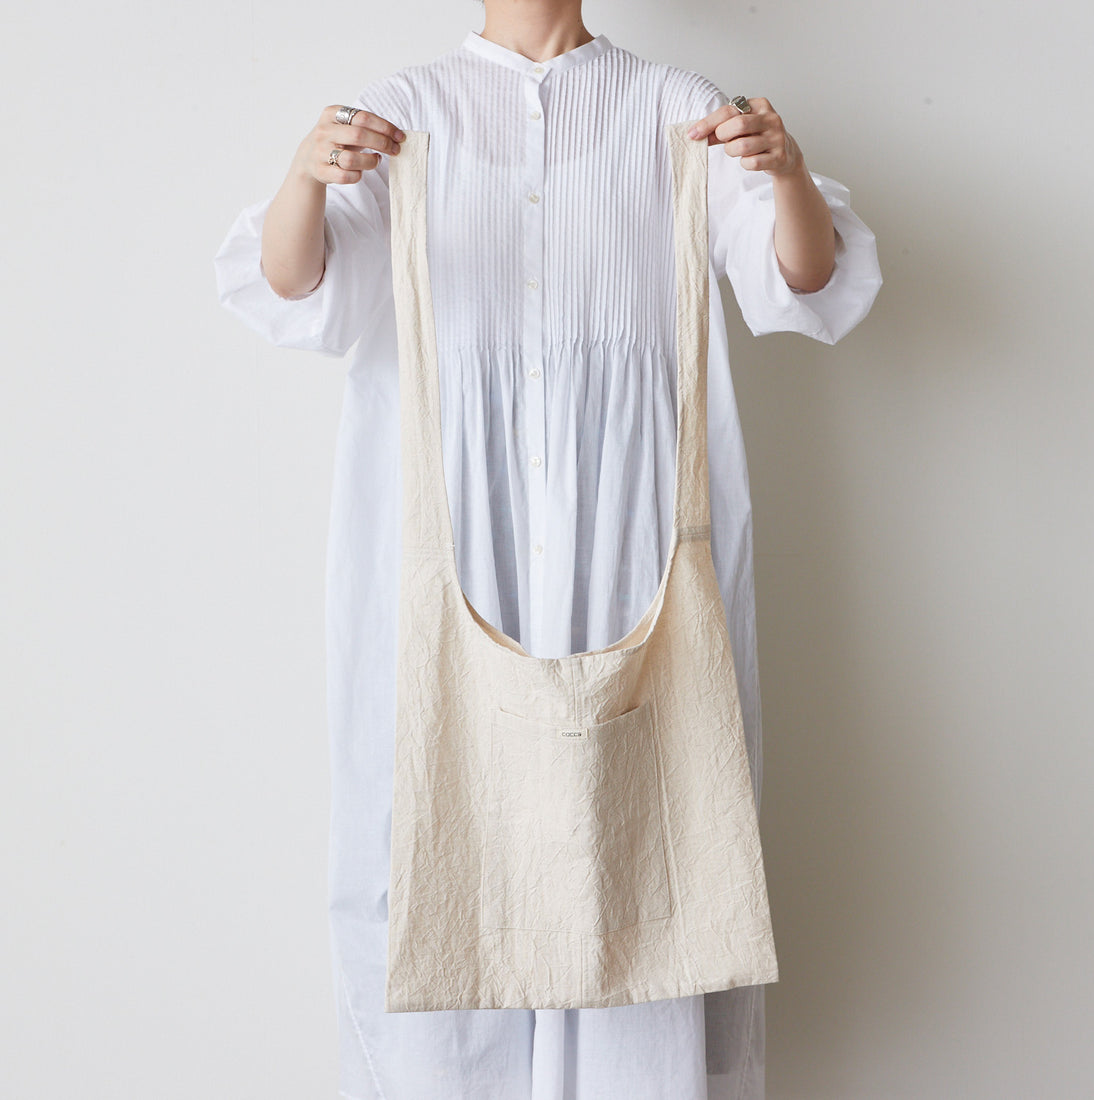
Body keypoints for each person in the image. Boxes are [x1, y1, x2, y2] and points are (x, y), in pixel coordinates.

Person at [214, 2, 882, 1096]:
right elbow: (296, 290)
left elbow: (803, 284)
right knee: (434, 841)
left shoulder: (675, 109)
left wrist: (789, 173)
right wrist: (305, 178)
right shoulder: (402, 111)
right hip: (443, 536)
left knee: (644, 846)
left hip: (633, 547)